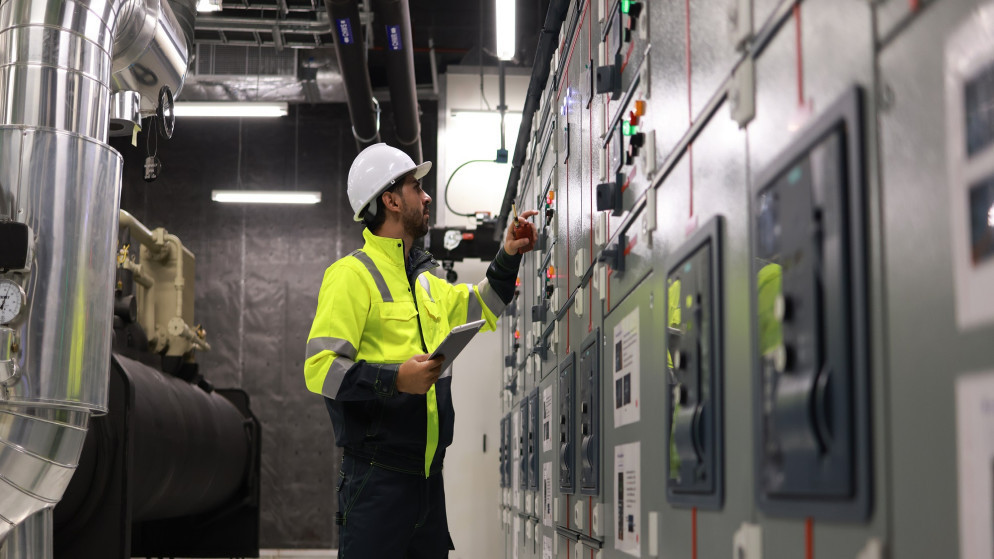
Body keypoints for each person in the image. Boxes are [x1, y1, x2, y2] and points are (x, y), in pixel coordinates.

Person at [303, 143, 537, 558]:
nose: (427, 197)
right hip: (376, 481)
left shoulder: (426, 281)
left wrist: (508, 255)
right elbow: (321, 369)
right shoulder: (350, 275)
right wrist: (395, 379)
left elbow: (484, 305)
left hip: (428, 481)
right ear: (391, 201)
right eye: (416, 187)